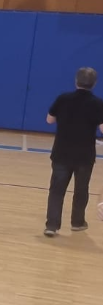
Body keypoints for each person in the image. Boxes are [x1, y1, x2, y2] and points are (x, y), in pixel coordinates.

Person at [44, 67, 103, 237]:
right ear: (94, 83)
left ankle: (52, 225)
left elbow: (49, 120)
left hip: (61, 151)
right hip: (84, 155)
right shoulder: (98, 103)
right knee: (81, 189)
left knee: (57, 189)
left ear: (76, 81)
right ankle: (77, 222)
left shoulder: (63, 98)